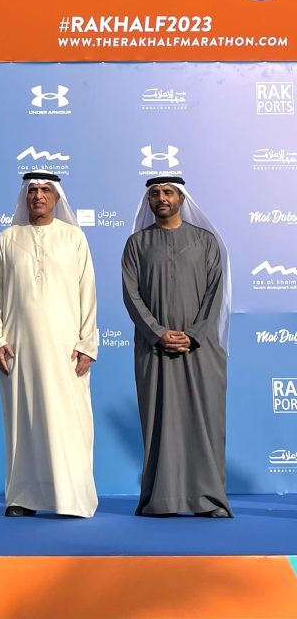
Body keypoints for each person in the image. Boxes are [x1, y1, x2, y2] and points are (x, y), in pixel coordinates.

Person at [0, 172, 98, 518]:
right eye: (32, 190)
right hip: (18, 348)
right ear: (25, 196)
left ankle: (71, 499)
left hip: (66, 348)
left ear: (56, 197)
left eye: (45, 190)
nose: (38, 196)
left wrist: (87, 344)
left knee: (69, 421)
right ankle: (23, 497)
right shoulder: (7, 238)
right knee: (23, 422)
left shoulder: (74, 238)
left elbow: (88, 293)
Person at [122, 176, 232, 517]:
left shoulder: (205, 241)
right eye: (155, 193)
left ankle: (209, 500)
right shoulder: (137, 244)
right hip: (154, 349)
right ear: (149, 201)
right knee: (159, 423)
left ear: (181, 198)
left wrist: (194, 334)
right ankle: (162, 500)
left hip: (200, 348)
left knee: (205, 422)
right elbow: (131, 294)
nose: (162, 198)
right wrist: (158, 333)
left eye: (168, 192)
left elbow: (215, 293)